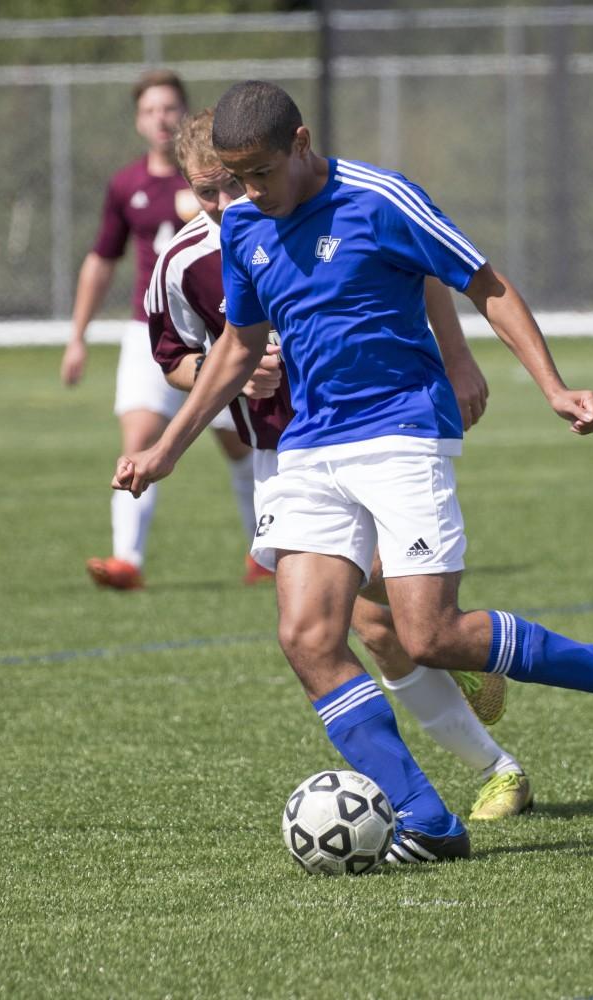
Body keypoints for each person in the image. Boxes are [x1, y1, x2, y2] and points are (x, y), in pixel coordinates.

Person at [113, 81, 593, 865]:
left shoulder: (381, 198)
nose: (247, 194)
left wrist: (552, 386)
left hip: (399, 432)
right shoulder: (246, 226)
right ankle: (428, 819)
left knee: (429, 635)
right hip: (310, 446)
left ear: (300, 143)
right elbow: (235, 346)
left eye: (258, 173)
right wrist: (168, 447)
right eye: (232, 178)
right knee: (307, 636)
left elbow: (483, 284)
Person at [146, 108, 531, 821]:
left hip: (377, 431)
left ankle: (459, 656)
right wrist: (219, 372)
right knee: (370, 630)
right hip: (283, 453)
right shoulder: (185, 261)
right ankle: (494, 770)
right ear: (191, 190)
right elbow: (176, 361)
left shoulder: (310, 206)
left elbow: (420, 271)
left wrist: (455, 356)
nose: (227, 202)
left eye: (236, 184)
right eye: (209, 191)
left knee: (403, 615)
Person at [60, 69, 267, 590]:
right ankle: (126, 558)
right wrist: (77, 335)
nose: (161, 118)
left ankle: (261, 553)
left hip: (235, 329)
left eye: (170, 108)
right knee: (140, 435)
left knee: (241, 445)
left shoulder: (231, 182)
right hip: (153, 332)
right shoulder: (128, 186)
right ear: (139, 120)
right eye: (151, 110)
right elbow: (101, 261)